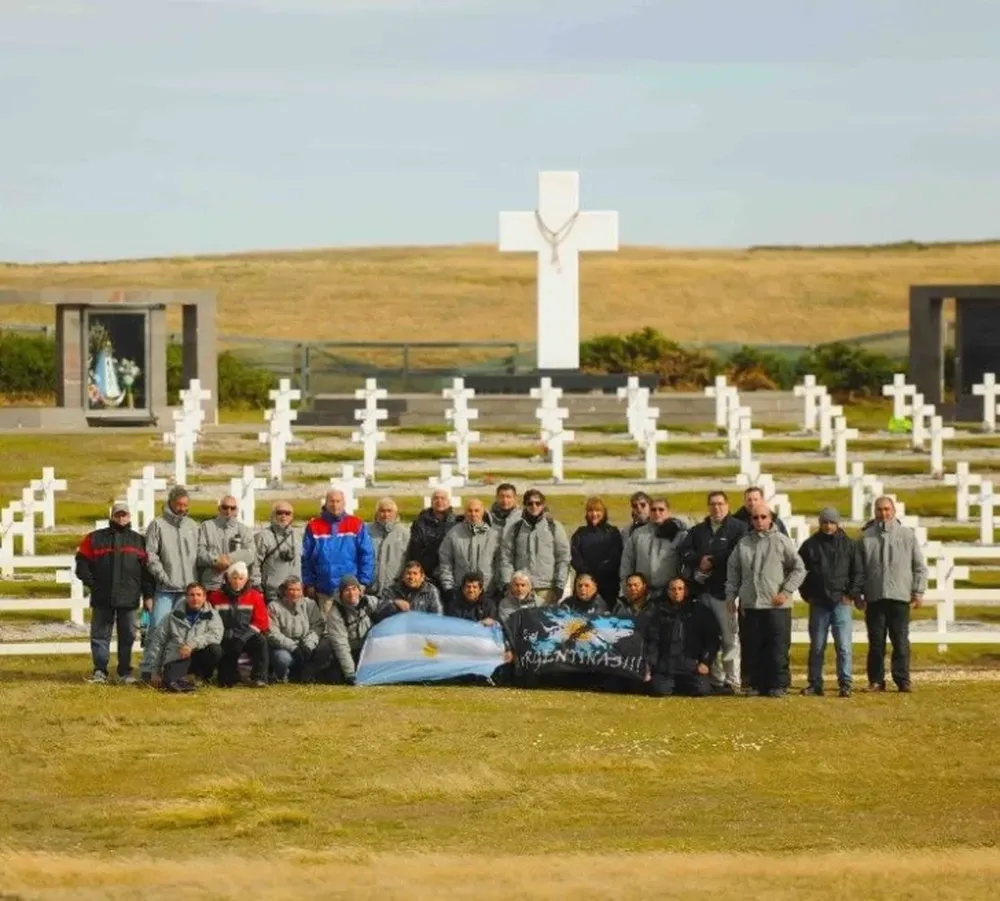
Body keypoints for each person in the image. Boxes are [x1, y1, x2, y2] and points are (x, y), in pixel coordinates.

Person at [725, 507, 805, 697]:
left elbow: (799, 568)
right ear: (751, 520)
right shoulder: (743, 544)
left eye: (763, 517)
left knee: (777, 646)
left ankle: (778, 685)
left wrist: (785, 591)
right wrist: (731, 596)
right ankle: (753, 684)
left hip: (776, 604)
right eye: (755, 517)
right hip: (751, 604)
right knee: (752, 645)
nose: (759, 520)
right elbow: (733, 571)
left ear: (770, 519)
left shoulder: (782, 541)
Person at [853, 496, 928, 693]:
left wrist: (918, 591)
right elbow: (858, 571)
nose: (883, 513)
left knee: (900, 641)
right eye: (879, 510)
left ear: (893, 511)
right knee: (876, 643)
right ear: (874, 512)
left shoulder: (907, 535)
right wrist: (858, 594)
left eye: (887, 509)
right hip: (875, 597)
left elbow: (919, 566)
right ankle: (876, 681)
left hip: (899, 597)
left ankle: (902, 680)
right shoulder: (866, 538)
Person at [75, 501, 155, 684]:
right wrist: (93, 584)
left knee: (127, 636)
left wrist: (148, 595)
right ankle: (100, 671)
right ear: (112, 516)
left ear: (129, 516)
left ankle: (124, 672)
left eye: (124, 514)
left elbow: (146, 573)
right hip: (103, 597)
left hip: (129, 598)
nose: (121, 517)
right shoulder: (94, 538)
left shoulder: (139, 541)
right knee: (100, 635)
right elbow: (82, 563)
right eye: (118, 514)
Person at [679, 490, 748, 694]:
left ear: (727, 505)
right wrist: (699, 560)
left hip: (725, 592)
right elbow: (684, 551)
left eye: (720, 504)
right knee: (708, 637)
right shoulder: (699, 530)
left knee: (729, 638)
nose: (716, 508)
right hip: (702, 593)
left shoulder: (738, 527)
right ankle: (716, 680)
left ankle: (733, 680)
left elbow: (737, 552)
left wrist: (713, 561)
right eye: (712, 504)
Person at [140, 485, 200, 678]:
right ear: (171, 503)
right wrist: (163, 577)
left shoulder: (192, 526)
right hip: (165, 589)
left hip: (187, 590)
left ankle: (175, 671)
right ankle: (149, 670)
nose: (182, 508)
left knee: (184, 632)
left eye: (185, 505)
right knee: (157, 628)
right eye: (179, 504)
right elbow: (151, 555)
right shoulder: (157, 525)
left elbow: (199, 555)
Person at [798, 508, 858, 698]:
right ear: (820, 523)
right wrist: (808, 595)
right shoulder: (810, 546)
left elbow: (858, 572)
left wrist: (851, 594)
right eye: (825, 522)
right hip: (819, 603)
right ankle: (815, 683)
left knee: (844, 646)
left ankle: (845, 683)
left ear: (838, 523)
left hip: (841, 602)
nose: (828, 526)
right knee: (817, 646)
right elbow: (799, 572)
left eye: (832, 522)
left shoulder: (849, 545)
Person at [301, 489, 375, 615]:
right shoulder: (314, 526)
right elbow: (306, 558)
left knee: (352, 625)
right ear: (326, 503)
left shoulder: (356, 524)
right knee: (328, 628)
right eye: (331, 501)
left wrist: (363, 582)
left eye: (338, 501)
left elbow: (367, 555)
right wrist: (309, 583)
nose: (335, 505)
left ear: (344, 503)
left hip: (350, 589)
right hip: (325, 589)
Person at [647, 577, 721, 698]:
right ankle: (672, 684)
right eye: (673, 589)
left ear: (686, 591)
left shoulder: (700, 612)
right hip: (667, 667)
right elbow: (653, 640)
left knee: (701, 690)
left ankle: (682, 685)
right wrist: (652, 664)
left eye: (680, 589)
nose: (677, 592)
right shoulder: (660, 612)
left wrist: (705, 662)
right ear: (668, 592)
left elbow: (712, 639)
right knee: (659, 690)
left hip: (691, 666)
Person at [145, 583, 224, 693]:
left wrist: (191, 645)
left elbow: (215, 636)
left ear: (204, 597)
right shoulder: (171, 617)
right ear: (186, 597)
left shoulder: (213, 615)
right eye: (191, 595)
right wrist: (155, 671)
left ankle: (201, 677)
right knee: (169, 684)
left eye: (198, 595)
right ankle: (184, 680)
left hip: (199, 656)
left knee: (215, 650)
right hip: (177, 658)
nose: (195, 598)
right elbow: (158, 642)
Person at [499, 489, 571, 604]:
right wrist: (507, 583)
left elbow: (563, 558)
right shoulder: (515, 529)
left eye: (538, 503)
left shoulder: (554, 527)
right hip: (521, 589)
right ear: (525, 505)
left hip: (546, 589)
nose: (534, 506)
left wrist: (559, 585)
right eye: (530, 503)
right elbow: (506, 558)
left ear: (543, 505)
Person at [207, 561, 270, 688]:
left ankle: (259, 678)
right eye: (234, 578)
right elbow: (210, 620)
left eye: (241, 578)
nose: (237, 582)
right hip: (224, 637)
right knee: (226, 682)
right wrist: (225, 634)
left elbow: (261, 622)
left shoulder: (255, 596)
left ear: (246, 580)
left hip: (246, 636)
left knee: (261, 641)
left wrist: (243, 637)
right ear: (227, 578)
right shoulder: (215, 596)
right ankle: (228, 675)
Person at [619, 497, 687, 599]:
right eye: (653, 509)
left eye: (661, 509)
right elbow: (627, 561)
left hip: (670, 592)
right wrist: (626, 586)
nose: (657, 513)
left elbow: (687, 563)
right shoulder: (638, 534)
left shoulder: (679, 534)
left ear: (668, 512)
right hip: (643, 592)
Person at [438, 498, 502, 604]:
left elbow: (499, 562)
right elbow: (445, 561)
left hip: (487, 592)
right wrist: (448, 586)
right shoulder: (454, 533)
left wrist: (499, 585)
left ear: (483, 512)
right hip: (460, 592)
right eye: (470, 510)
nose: (473, 514)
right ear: (465, 512)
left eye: (477, 510)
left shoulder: (493, 535)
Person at [266, 576, 329, 683]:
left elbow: (317, 626)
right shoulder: (273, 606)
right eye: (291, 589)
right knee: (282, 659)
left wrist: (308, 645)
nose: (294, 593)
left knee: (324, 648)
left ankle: (308, 675)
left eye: (297, 590)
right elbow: (272, 633)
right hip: (285, 647)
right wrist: (293, 647)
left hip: (306, 645)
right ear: (284, 591)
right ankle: (283, 677)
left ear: (302, 591)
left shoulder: (310, 604)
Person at [570, 496, 624, 608]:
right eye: (591, 511)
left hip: (607, 584)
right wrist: (588, 575)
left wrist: (599, 573)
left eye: (598, 511)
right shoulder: (580, 533)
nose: (594, 514)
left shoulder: (612, 533)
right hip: (585, 584)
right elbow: (575, 556)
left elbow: (615, 556)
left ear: (604, 513)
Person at [197, 495, 258, 592]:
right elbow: (200, 553)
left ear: (237, 510)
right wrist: (216, 561)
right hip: (212, 584)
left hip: (236, 585)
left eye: (232, 508)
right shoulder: (207, 526)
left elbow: (250, 554)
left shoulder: (244, 529)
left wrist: (228, 559)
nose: (228, 511)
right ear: (219, 509)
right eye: (225, 507)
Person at [326, 575, 380, 684]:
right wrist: (350, 674)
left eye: (354, 589)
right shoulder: (335, 613)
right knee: (335, 677)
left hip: (370, 649)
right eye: (347, 590)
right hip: (351, 651)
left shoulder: (371, 602)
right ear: (341, 593)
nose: (351, 594)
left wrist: (395, 603)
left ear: (360, 591)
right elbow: (341, 645)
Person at [406, 488, 458, 588]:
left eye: (443, 498)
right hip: (427, 573)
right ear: (431, 502)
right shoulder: (420, 523)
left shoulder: (456, 522)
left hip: (449, 574)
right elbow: (416, 548)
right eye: (436, 498)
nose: (439, 501)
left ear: (448, 502)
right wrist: (429, 569)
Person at [255, 501, 300, 605]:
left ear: (292, 516)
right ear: (273, 515)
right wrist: (258, 587)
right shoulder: (263, 536)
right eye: (279, 512)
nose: (283, 516)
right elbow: (254, 564)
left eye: (287, 513)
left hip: (294, 593)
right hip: (272, 594)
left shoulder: (297, 535)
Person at [369, 497, 410, 596]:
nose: (386, 514)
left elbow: (409, 561)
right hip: (370, 589)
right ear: (376, 513)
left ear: (395, 513)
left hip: (395, 590)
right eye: (382, 511)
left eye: (389, 511)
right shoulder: (366, 531)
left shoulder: (405, 533)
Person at [377, 560, 443, 618]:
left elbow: (438, 616)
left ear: (422, 577)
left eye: (415, 573)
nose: (411, 577)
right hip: (398, 629)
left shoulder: (431, 591)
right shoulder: (391, 590)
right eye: (408, 573)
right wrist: (395, 602)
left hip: (422, 629)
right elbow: (379, 612)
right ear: (403, 577)